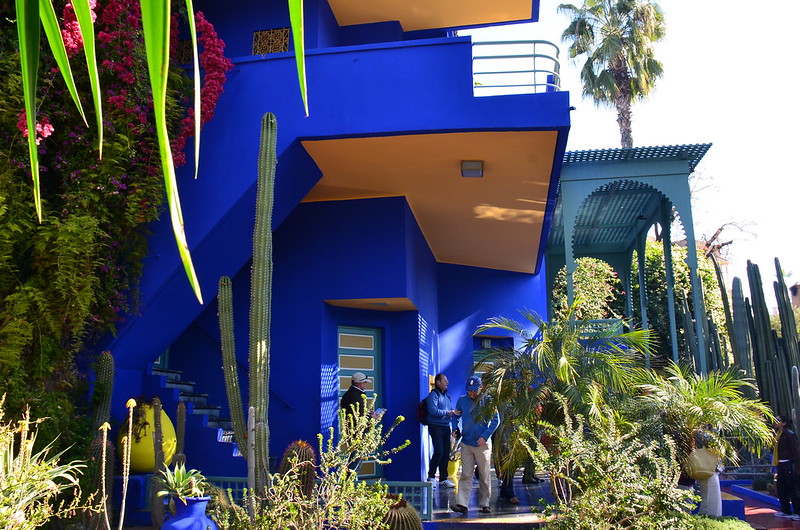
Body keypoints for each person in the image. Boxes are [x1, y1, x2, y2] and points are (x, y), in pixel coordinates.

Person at [451, 375, 500, 514]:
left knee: (484, 475)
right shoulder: (462, 400)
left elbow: (496, 420)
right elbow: (456, 415)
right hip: (466, 443)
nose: (471, 393)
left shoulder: (488, 401)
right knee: (466, 474)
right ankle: (462, 504)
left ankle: (484, 503)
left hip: (482, 444)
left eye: (474, 390)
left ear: (481, 388)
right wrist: (455, 429)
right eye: (469, 390)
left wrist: (485, 436)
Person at [426, 373, 460, 488]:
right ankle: (431, 477)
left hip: (446, 426)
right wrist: (448, 413)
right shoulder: (433, 395)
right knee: (439, 451)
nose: (447, 382)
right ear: (438, 382)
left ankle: (443, 479)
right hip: (435, 426)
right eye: (444, 381)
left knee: (446, 453)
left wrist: (453, 420)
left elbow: (450, 410)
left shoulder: (447, 397)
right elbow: (432, 410)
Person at [773, 415, 800, 520]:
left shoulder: (789, 434)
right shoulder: (778, 434)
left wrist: (798, 467)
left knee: (792, 488)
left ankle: (798, 512)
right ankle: (785, 510)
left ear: (784, 423)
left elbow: (796, 451)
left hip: (789, 463)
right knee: (782, 487)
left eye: (778, 420)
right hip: (780, 463)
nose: (776, 422)